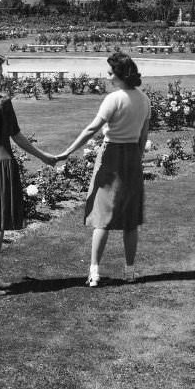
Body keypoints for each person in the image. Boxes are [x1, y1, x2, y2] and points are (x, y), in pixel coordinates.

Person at [0, 54, 58, 299]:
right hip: (2, 165)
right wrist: (44, 156)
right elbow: (17, 137)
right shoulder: (3, 103)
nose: (2, 75)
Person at [58, 52, 151, 286]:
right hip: (132, 157)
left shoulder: (114, 99)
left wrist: (67, 152)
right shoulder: (144, 99)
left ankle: (95, 272)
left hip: (111, 157)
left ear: (119, 75)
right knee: (130, 219)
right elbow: (143, 136)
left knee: (102, 217)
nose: (108, 77)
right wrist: (136, 159)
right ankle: (129, 271)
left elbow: (92, 130)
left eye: (110, 73)